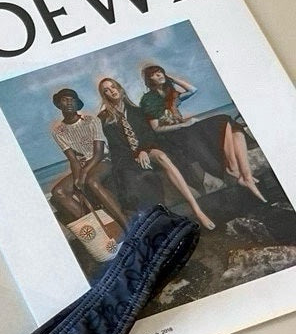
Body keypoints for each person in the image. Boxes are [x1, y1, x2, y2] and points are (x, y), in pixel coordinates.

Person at [97, 76, 215, 231]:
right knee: (131, 184)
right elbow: (115, 146)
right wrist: (135, 155)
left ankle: (197, 210)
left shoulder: (137, 111)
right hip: (127, 157)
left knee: (162, 156)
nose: (111, 91)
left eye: (113, 86)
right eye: (106, 90)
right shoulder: (104, 118)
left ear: (119, 88)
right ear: (104, 95)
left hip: (146, 149)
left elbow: (148, 134)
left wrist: (142, 151)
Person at [139, 64, 265, 203]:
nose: (159, 75)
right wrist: (183, 124)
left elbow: (193, 90)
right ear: (149, 80)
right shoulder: (149, 100)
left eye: (160, 72)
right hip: (171, 136)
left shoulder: (170, 94)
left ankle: (246, 176)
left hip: (184, 129)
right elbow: (156, 128)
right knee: (222, 122)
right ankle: (234, 171)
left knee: (228, 123)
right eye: (155, 74)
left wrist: (171, 78)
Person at [48, 87, 128, 227]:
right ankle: (95, 226)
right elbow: (73, 159)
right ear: (59, 104)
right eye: (65, 100)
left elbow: (99, 153)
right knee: (58, 191)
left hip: (103, 160)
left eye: (72, 100)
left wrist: (83, 174)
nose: (69, 102)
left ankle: (126, 223)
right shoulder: (58, 132)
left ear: (77, 104)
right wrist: (77, 179)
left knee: (91, 181)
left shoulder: (91, 121)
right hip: (83, 165)